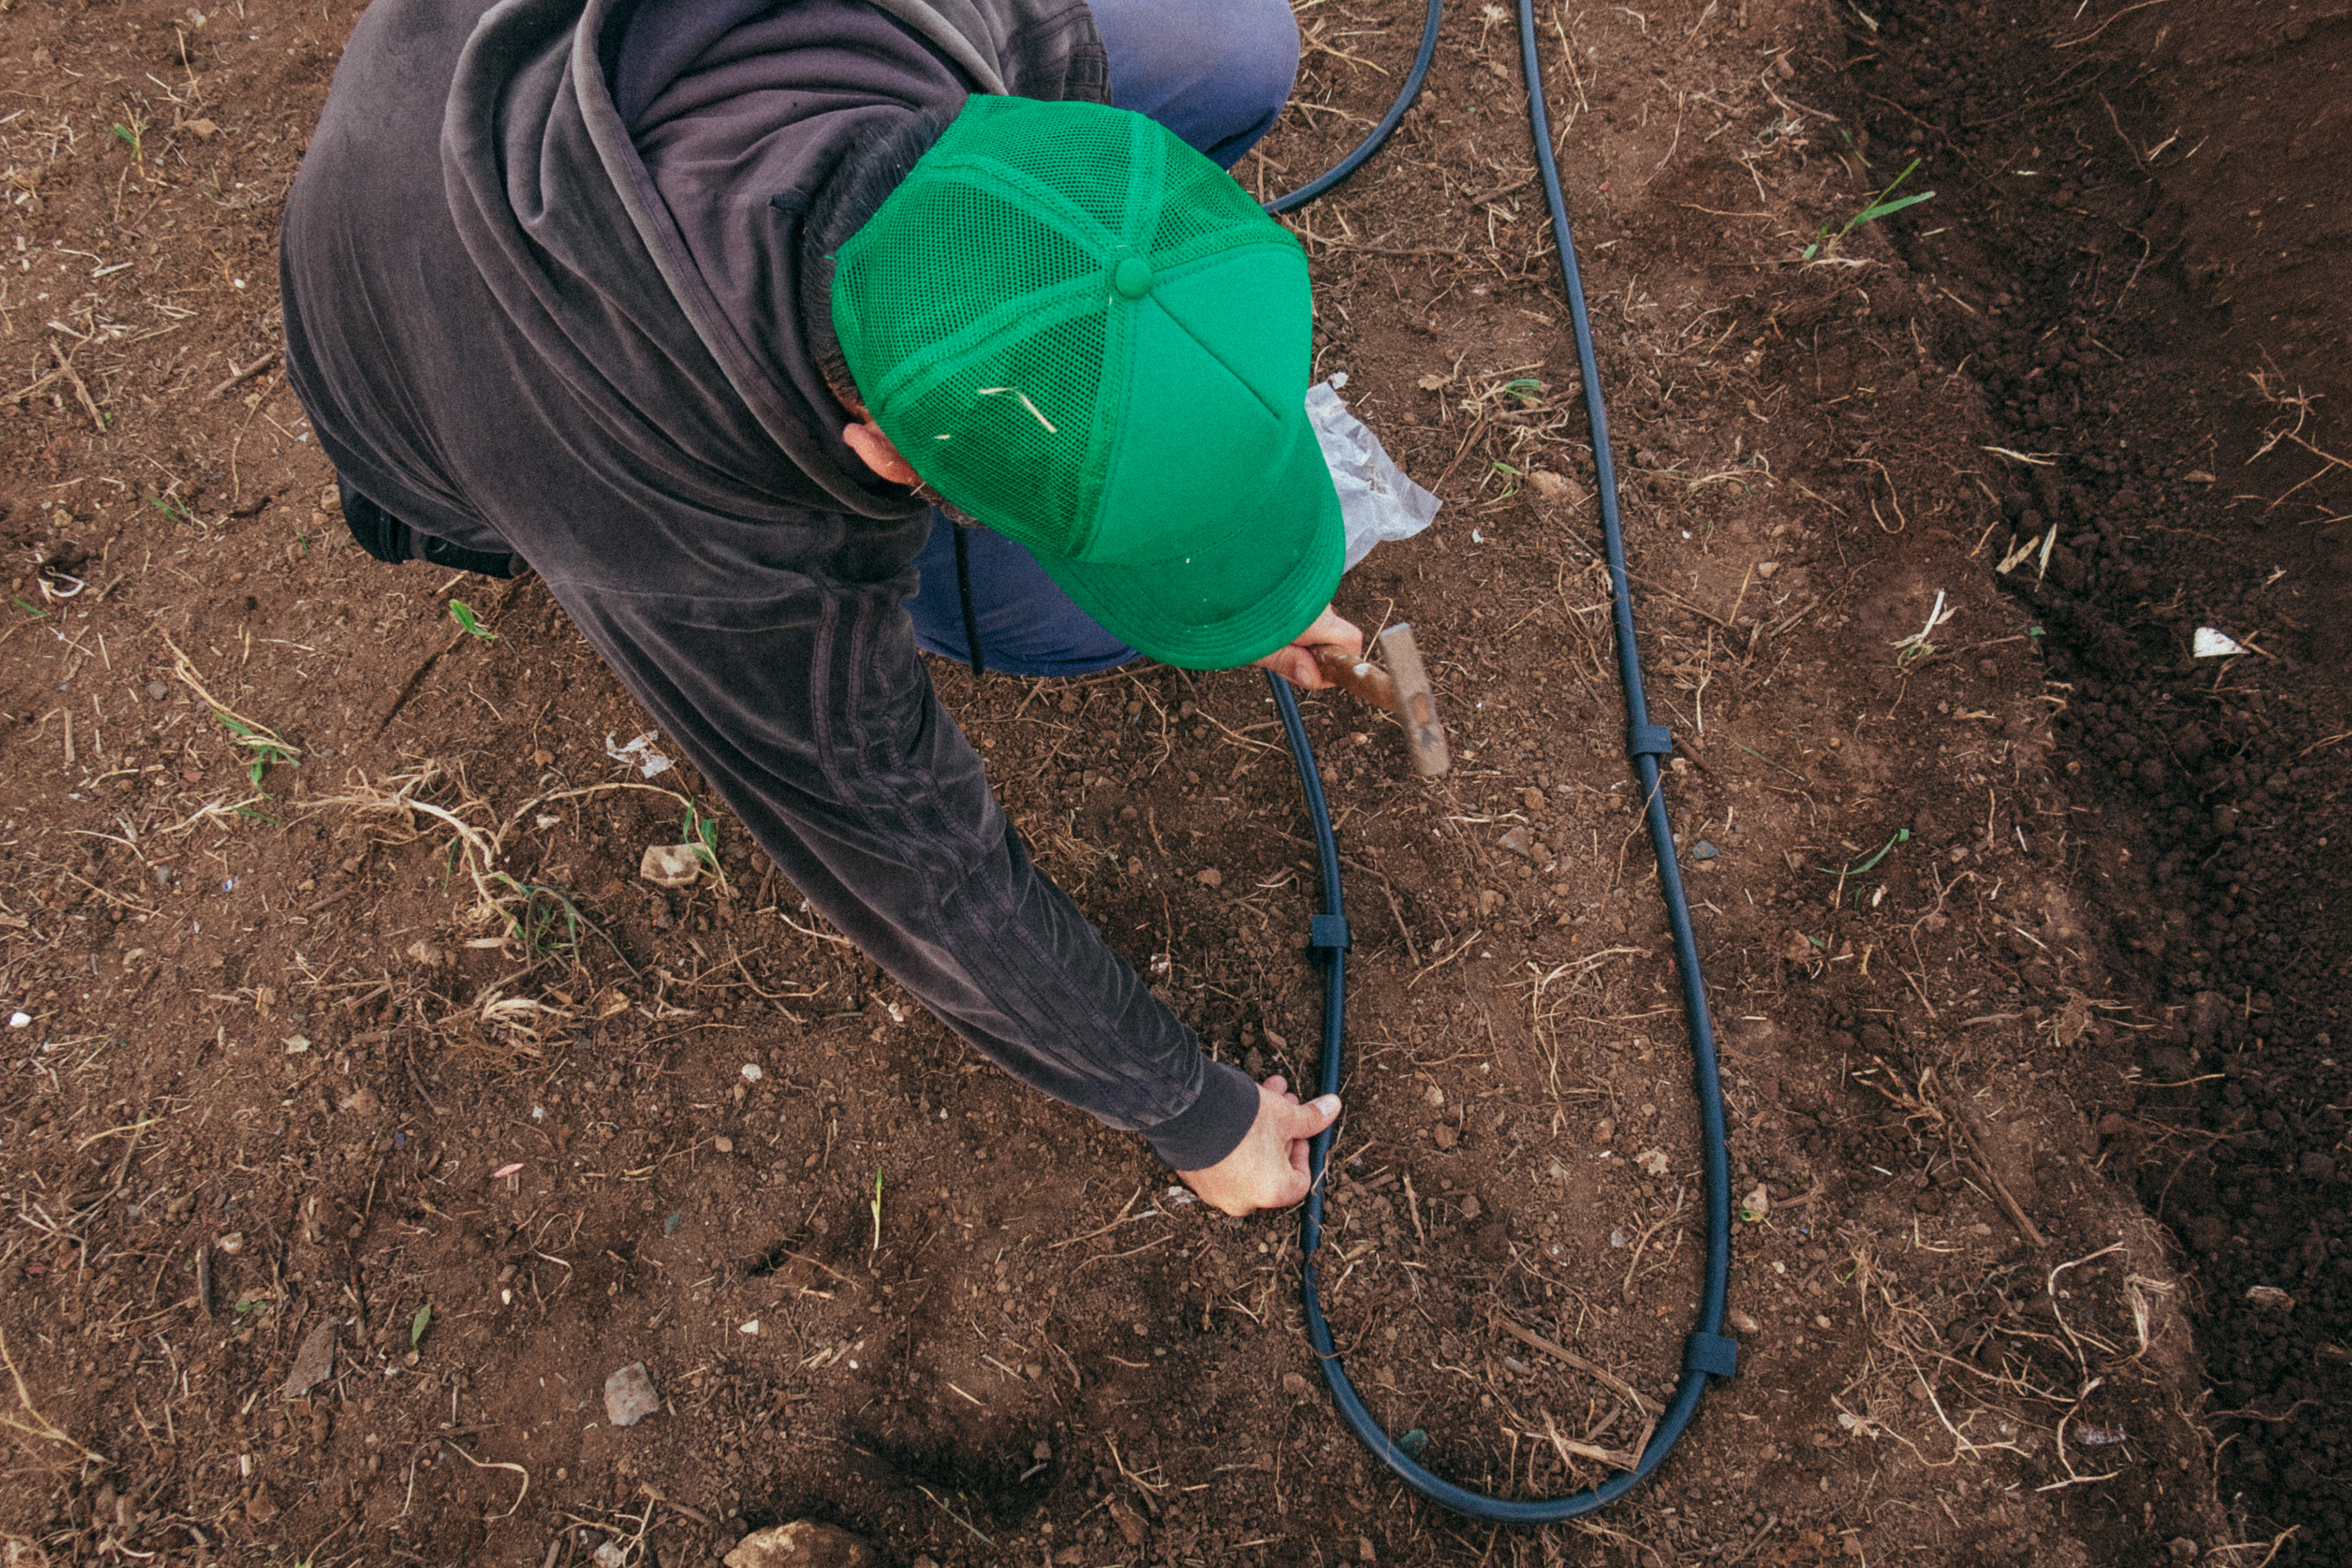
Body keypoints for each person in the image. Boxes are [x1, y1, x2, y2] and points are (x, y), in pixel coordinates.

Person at [281, 0, 1357, 1216]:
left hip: (499, 56)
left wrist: (1239, 574)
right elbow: (914, 858)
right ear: (892, 461)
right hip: (420, 335)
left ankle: (1062, 406)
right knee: (1075, 620)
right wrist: (1192, 1110)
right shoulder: (695, 524)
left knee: (1235, 46)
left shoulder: (953, 19)